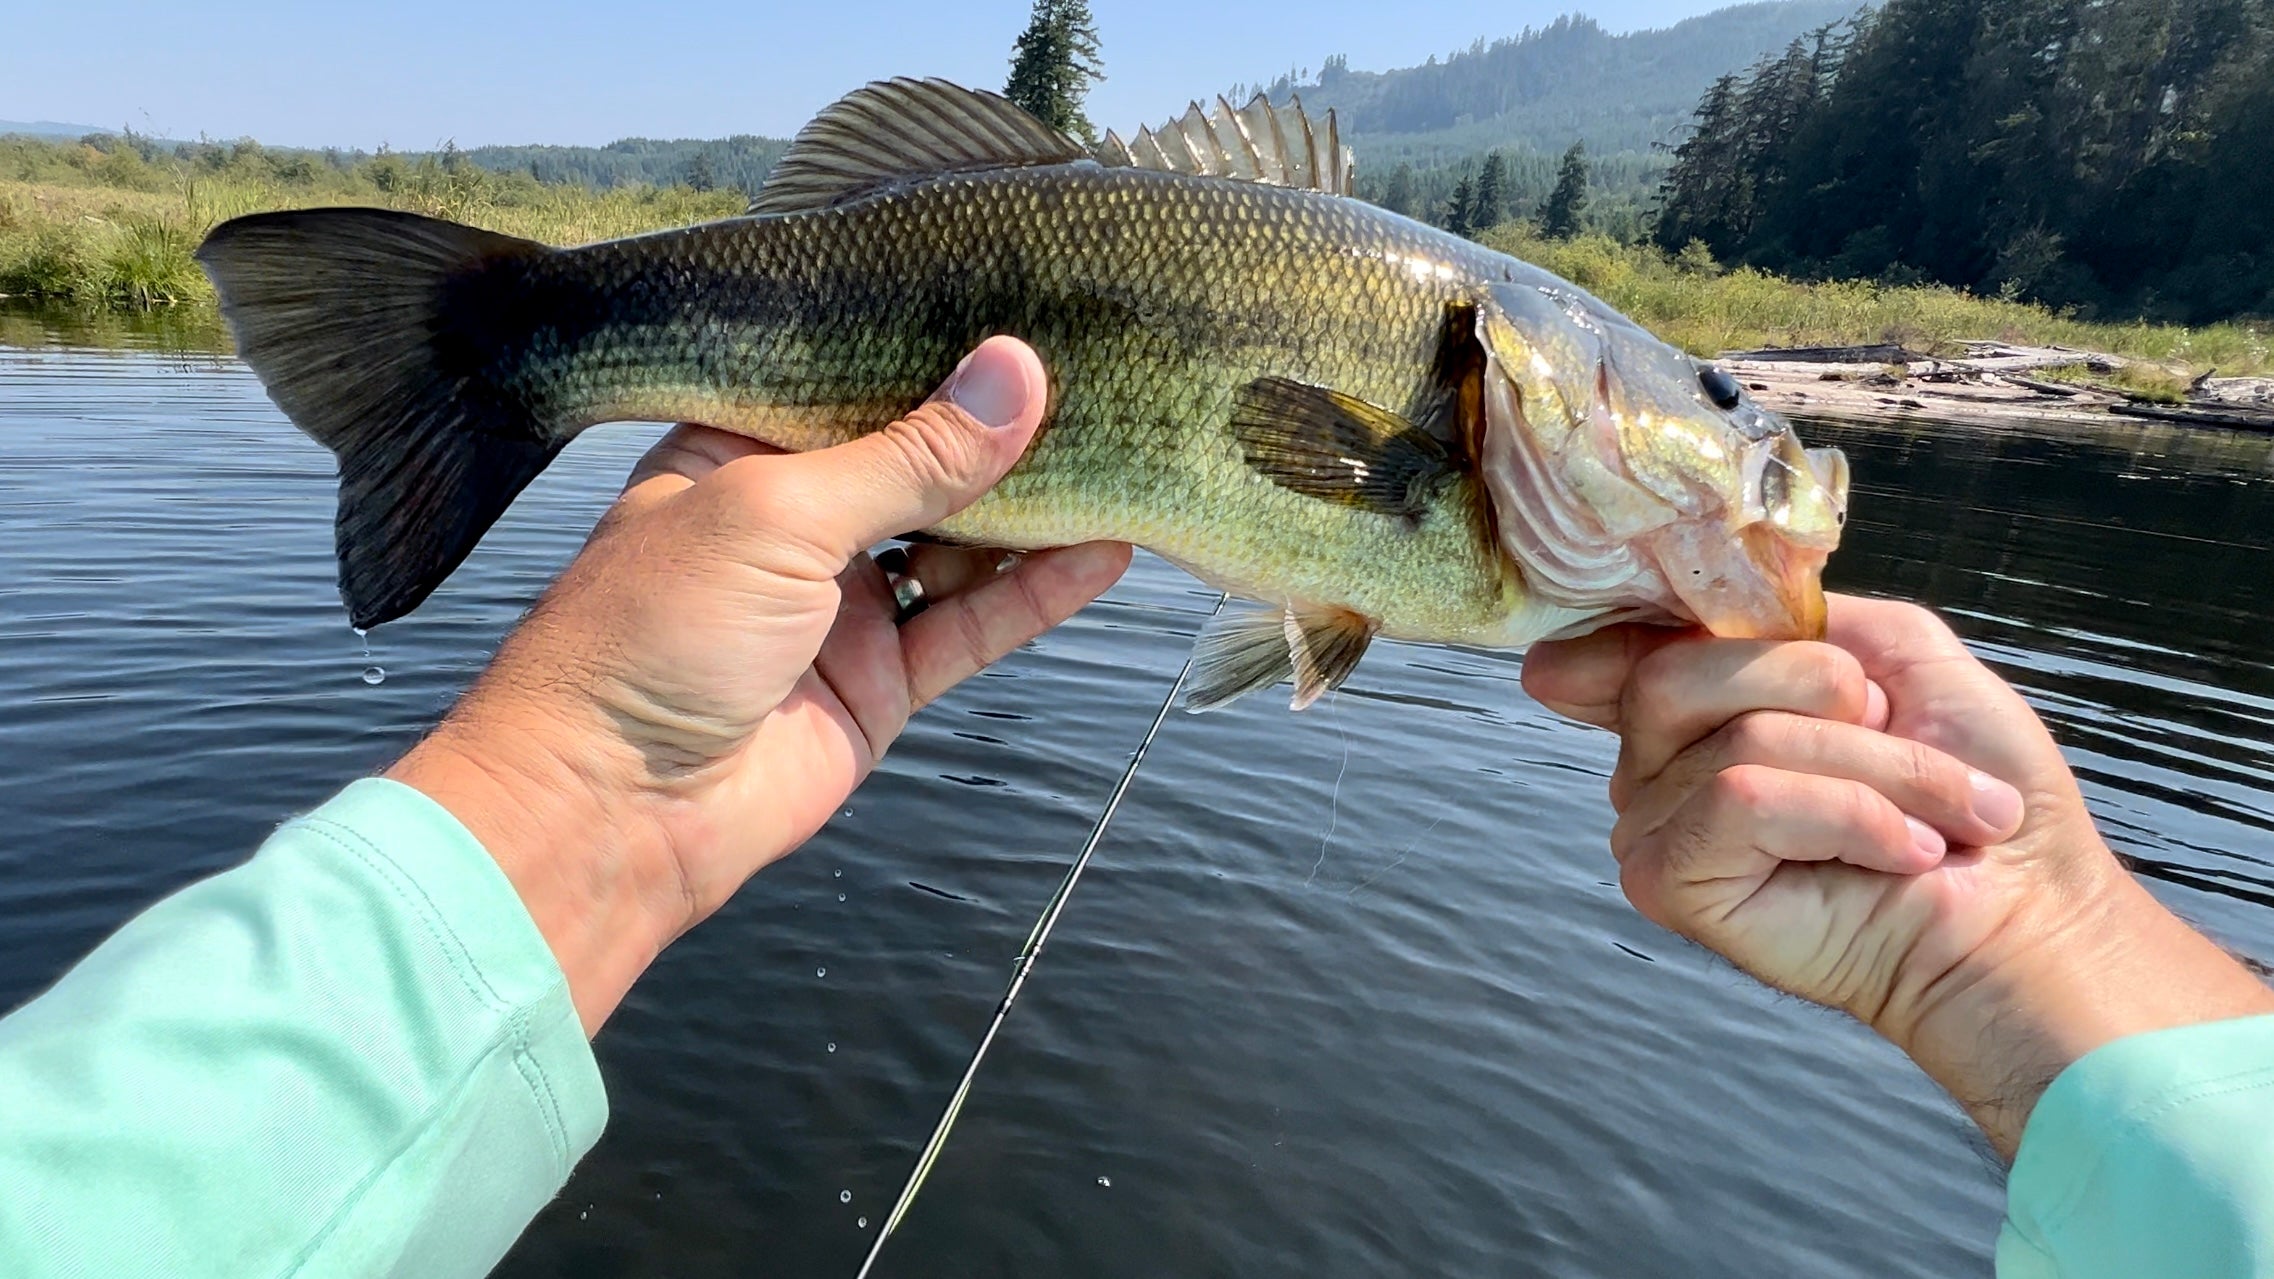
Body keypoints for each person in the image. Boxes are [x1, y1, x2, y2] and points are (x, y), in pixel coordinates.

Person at [0, 337, 2267, 1276]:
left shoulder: (1462, 473)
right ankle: (513, 342)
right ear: (1539, 400)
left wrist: (2006, 934)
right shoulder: (1426, 428)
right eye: (1740, 435)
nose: (1779, 492)